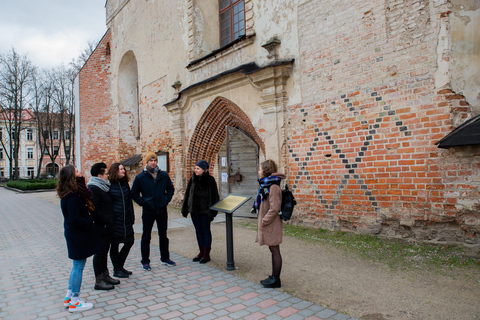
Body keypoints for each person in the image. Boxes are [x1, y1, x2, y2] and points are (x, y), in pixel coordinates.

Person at [57, 164, 103, 312]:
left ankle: (69, 296)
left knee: (77, 265)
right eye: (77, 171)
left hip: (75, 234)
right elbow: (75, 218)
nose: (80, 172)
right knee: (78, 266)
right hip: (77, 235)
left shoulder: (71, 193)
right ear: (71, 176)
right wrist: (90, 222)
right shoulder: (71, 196)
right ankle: (75, 301)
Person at [131, 151, 175, 270]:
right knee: (146, 236)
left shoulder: (163, 175)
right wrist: (144, 202)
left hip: (161, 209)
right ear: (147, 162)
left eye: (155, 160)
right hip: (148, 211)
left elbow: (171, 189)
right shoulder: (141, 177)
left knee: (163, 235)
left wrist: (165, 200)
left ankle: (165, 258)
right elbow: (134, 193)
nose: (153, 163)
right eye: (151, 161)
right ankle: (145, 261)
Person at [251, 159, 286, 288]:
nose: (258, 171)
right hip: (269, 224)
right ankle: (274, 276)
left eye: (260, 169)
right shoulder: (266, 185)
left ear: (265, 171)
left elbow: (275, 208)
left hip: (271, 224)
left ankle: (276, 280)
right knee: (273, 250)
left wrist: (264, 221)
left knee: (275, 250)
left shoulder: (273, 187)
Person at [87, 163, 120, 290]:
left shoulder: (103, 187)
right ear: (99, 176)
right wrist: (106, 220)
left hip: (107, 226)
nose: (108, 176)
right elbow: (94, 210)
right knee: (100, 253)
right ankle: (99, 280)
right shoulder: (94, 188)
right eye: (106, 174)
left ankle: (105, 275)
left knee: (104, 251)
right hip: (101, 227)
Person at [181, 160, 219, 263]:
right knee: (198, 231)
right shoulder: (193, 178)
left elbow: (214, 196)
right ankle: (201, 252)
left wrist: (212, 212)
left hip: (205, 211)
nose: (195, 170)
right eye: (195, 168)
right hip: (194, 211)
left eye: (198, 168)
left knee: (205, 231)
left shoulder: (210, 180)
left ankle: (206, 254)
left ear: (204, 169)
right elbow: (188, 193)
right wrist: (185, 208)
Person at [108, 162, 135, 278]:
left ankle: (120, 266)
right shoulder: (109, 185)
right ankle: (116, 269)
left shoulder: (125, 184)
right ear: (114, 171)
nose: (123, 171)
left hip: (126, 219)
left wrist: (132, 216)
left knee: (129, 241)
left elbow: (129, 202)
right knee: (115, 245)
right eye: (120, 169)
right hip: (115, 220)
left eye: (123, 169)